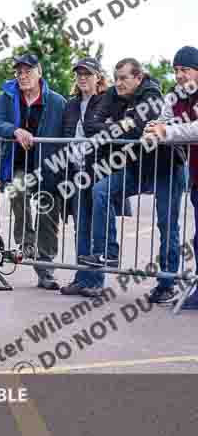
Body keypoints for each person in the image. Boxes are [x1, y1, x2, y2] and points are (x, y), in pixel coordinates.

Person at [84, 57, 185, 304]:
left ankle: (167, 284)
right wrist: (121, 126)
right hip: (137, 165)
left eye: (124, 78)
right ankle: (107, 252)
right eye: (116, 78)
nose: (118, 83)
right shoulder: (112, 94)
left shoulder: (151, 93)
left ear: (138, 78)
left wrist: (113, 125)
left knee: (166, 224)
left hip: (166, 166)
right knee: (101, 190)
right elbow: (89, 125)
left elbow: (139, 127)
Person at [0, 54, 67, 290]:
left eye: (27, 71)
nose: (23, 76)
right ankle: (27, 242)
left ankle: (46, 270)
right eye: (19, 72)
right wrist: (15, 131)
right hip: (20, 165)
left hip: (48, 167)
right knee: (17, 189)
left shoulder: (56, 101)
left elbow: (66, 134)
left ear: (39, 72)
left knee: (48, 212)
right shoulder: (8, 96)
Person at [144, 46, 198, 309]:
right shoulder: (174, 97)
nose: (178, 75)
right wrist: (153, 128)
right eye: (176, 70)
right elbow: (164, 121)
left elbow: (195, 129)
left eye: (184, 69)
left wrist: (165, 131)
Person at [60, 58, 114, 298]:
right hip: (75, 171)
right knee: (80, 227)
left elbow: (112, 130)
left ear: (98, 77)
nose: (82, 78)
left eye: (88, 74)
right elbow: (64, 135)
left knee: (97, 228)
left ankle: (96, 280)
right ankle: (81, 278)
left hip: (98, 170)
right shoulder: (71, 105)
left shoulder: (106, 101)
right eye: (79, 74)